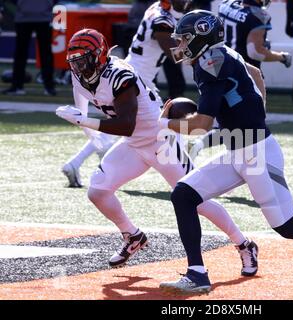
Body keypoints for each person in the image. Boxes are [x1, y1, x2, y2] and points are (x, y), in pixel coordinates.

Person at [158, 10, 293, 294]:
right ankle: (197, 274)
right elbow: (255, 73)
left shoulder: (210, 63)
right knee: (184, 194)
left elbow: (201, 126)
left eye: (185, 39)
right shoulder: (220, 53)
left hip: (257, 153)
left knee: (289, 227)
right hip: (240, 149)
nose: (180, 46)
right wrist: (259, 106)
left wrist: (164, 122)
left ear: (202, 37)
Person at [56, 28, 258, 274]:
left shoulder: (120, 75)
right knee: (97, 191)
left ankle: (244, 244)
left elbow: (126, 125)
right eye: (74, 61)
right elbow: (83, 106)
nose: (78, 66)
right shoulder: (82, 76)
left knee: (198, 201)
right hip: (134, 146)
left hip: (160, 141)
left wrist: (82, 122)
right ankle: (133, 236)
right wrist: (84, 122)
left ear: (97, 55)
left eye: (82, 59)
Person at [61, 0, 191, 188]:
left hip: (138, 73)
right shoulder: (161, 18)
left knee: (137, 126)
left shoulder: (160, 9)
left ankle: (75, 162)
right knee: (163, 124)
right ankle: (187, 177)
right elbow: (175, 54)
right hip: (136, 78)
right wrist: (202, 49)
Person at [188, 0, 291, 160]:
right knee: (247, 124)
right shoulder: (258, 15)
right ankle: (206, 146)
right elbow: (255, 52)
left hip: (219, 64)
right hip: (241, 74)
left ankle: (200, 144)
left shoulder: (226, 4)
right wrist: (281, 57)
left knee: (223, 120)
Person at [2, 0, 57, 96]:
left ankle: (49, 87)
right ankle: (17, 86)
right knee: (21, 53)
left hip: (43, 17)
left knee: (45, 53)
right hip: (24, 17)